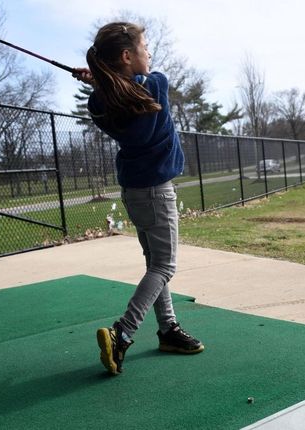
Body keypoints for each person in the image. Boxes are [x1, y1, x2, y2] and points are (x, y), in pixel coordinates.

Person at [73, 22, 204, 376]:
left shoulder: (99, 103)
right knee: (164, 267)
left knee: (155, 266)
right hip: (157, 193)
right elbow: (151, 79)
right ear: (127, 56)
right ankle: (123, 333)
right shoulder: (154, 86)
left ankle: (168, 330)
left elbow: (118, 92)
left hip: (133, 191)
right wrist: (105, 78)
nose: (149, 53)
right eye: (144, 47)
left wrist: (103, 80)